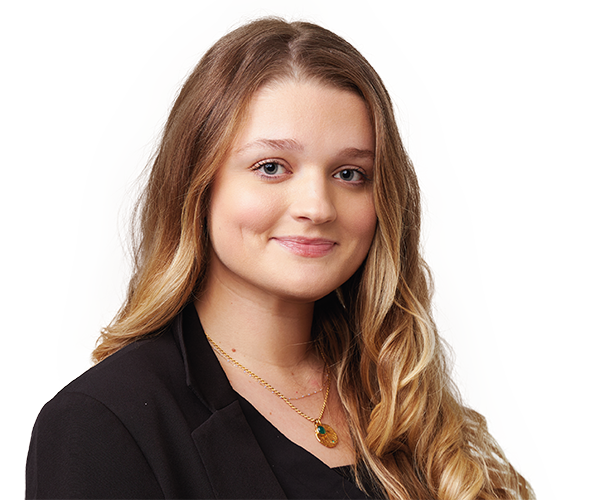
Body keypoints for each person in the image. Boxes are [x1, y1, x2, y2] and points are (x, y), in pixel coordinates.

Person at [25, 19, 529, 500]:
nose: (317, 207)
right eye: (271, 167)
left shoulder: (401, 395)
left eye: (350, 173)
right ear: (199, 185)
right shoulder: (101, 422)